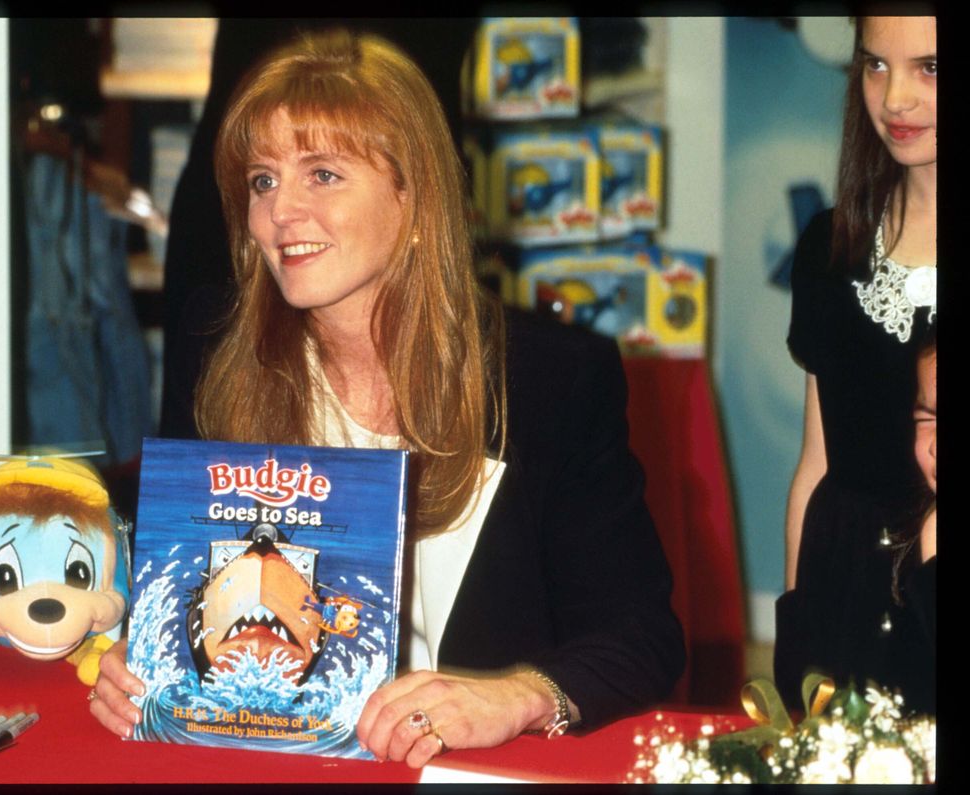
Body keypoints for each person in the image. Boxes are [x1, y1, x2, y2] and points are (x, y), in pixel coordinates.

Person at [91, 29, 684, 767]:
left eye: (324, 175)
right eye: (263, 180)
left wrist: (519, 694)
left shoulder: (550, 378)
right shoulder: (216, 354)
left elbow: (641, 638)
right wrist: (141, 658)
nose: (281, 214)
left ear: (413, 193)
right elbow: (192, 603)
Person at [777, 15, 936, 713]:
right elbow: (815, 462)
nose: (895, 97)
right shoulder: (829, 247)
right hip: (841, 588)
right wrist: (794, 626)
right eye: (875, 66)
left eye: (930, 67)